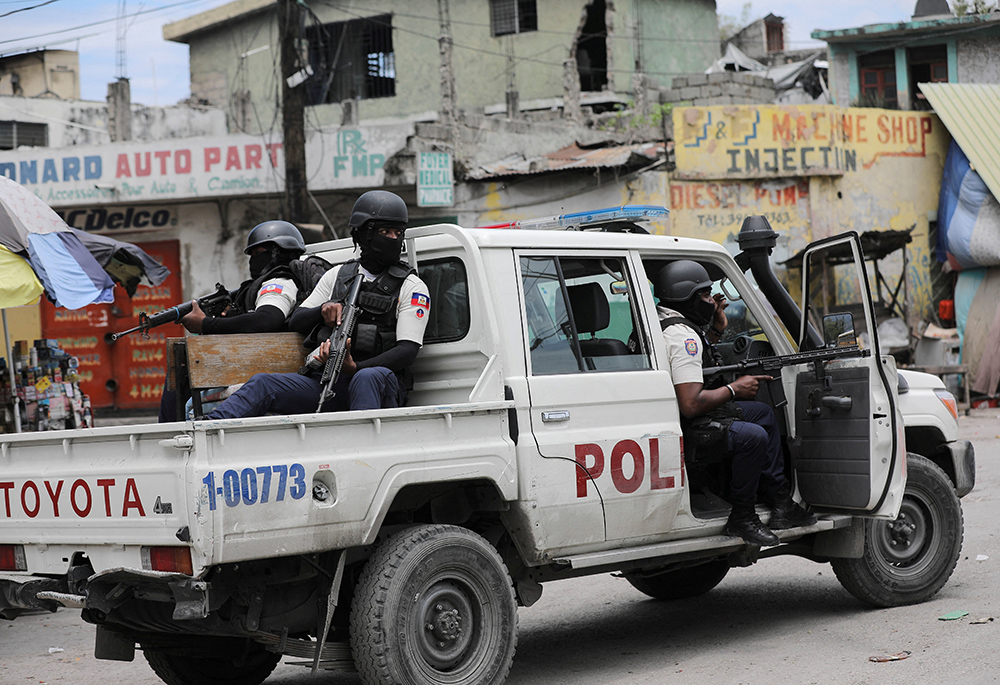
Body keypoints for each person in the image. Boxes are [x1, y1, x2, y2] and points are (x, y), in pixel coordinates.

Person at [203, 190, 430, 419]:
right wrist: (323, 311)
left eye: (397, 233)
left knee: (367, 377)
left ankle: (361, 451)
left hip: (379, 386)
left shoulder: (412, 285)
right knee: (263, 383)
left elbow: (407, 351)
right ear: (363, 234)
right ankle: (207, 430)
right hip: (329, 381)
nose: (393, 238)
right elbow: (297, 321)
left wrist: (355, 367)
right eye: (385, 231)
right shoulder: (338, 275)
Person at [654, 260, 817, 546]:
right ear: (689, 298)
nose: (711, 301)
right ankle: (742, 516)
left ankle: (780, 503)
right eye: (705, 296)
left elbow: (696, 363)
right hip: (691, 426)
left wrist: (717, 328)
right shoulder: (681, 337)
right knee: (751, 437)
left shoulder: (664, 322)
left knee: (763, 415)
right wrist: (734, 389)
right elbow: (691, 404)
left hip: (683, 418)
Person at [158, 220, 307, 422]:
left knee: (187, 383)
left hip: (266, 370)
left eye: (259, 253)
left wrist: (205, 324)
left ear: (278, 252)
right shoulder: (257, 286)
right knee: (180, 368)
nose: (253, 260)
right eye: (251, 255)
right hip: (249, 364)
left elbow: (267, 319)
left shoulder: (280, 282)